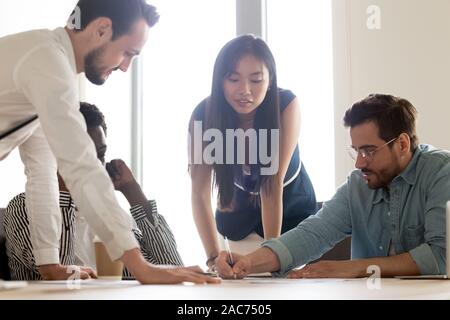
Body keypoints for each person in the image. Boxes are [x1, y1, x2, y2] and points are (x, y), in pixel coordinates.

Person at [0, 0, 217, 284]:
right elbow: (81, 164)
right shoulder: (47, 60)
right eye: (127, 53)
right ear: (102, 29)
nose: (125, 67)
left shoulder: (46, 67)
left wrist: (49, 262)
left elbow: (41, 172)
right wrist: (139, 265)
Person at [215, 94, 450, 279]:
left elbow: (442, 255)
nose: (359, 163)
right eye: (356, 151)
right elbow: (313, 233)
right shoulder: (357, 185)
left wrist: (356, 268)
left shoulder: (441, 172)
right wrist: (249, 262)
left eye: (368, 151)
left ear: (401, 143)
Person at [4, 102, 183, 280]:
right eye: (85, 156)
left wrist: (133, 192)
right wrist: (66, 182)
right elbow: (59, 274)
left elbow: (172, 268)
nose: (96, 166)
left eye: (101, 155)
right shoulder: (23, 208)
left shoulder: (110, 216)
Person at [189, 35, 317, 271]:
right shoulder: (204, 115)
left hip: (290, 216)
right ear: (220, 81)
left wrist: (273, 258)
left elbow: (272, 183)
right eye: (233, 79)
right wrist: (212, 259)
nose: (244, 90)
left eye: (256, 79)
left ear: (270, 81)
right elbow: (199, 192)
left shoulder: (286, 105)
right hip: (237, 222)